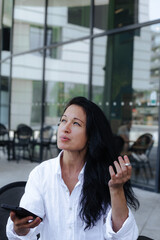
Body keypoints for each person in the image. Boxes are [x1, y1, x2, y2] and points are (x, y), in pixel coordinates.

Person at [6, 96, 139, 240]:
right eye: (63, 120)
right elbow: (26, 228)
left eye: (76, 123)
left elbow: (125, 237)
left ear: (91, 135)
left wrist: (116, 189)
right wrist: (20, 229)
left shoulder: (106, 174)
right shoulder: (42, 173)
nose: (65, 128)